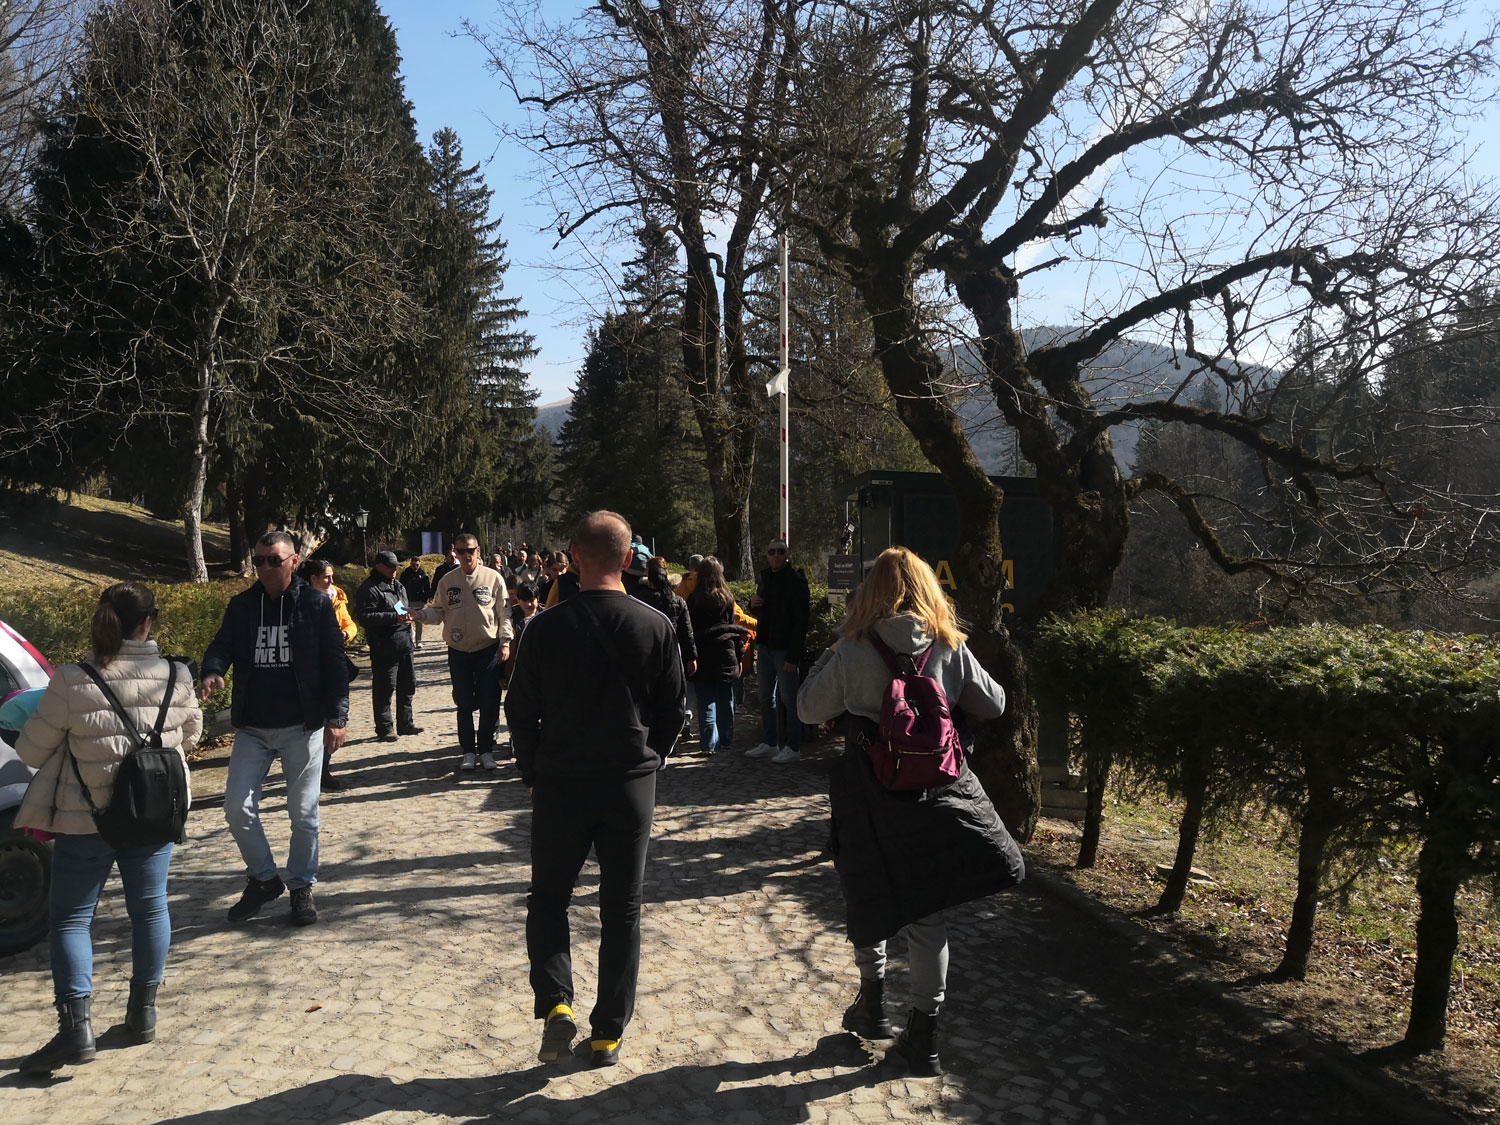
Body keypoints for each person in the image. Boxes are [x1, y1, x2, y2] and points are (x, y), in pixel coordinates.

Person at [796, 547, 1025, 1078]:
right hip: (934, 795)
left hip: (866, 791)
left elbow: (808, 708)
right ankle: (923, 1033)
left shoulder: (852, 649)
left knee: (868, 889)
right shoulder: (949, 645)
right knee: (928, 911)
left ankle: (872, 1003)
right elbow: (995, 704)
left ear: (870, 592)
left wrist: (833, 656)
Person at [505, 511, 685, 1069]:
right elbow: (673, 710)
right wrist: (650, 759)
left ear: (574, 558)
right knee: (622, 908)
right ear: (629, 559)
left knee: (549, 897)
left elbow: (520, 709)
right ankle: (608, 1031)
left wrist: (532, 769)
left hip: (561, 780)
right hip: (629, 782)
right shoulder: (657, 626)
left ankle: (556, 1002)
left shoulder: (544, 628)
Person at [14, 583, 202, 1075]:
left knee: (72, 920)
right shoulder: (177, 674)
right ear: (148, 623)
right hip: (154, 813)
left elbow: (31, 751)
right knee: (150, 908)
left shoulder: (73, 680)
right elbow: (191, 732)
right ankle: (143, 1014)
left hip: (85, 818)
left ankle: (75, 1029)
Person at [201, 531, 349, 927]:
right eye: (259, 560)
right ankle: (264, 878)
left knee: (303, 813)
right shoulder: (243, 606)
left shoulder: (316, 605)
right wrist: (213, 670)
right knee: (236, 807)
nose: (265, 567)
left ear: (294, 562)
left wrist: (338, 718)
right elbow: (222, 645)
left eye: (274, 560)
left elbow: (334, 664)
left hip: (302, 726)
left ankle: (301, 886)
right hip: (253, 727)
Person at [418, 533, 512, 772]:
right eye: (461, 551)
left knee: (490, 701)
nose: (466, 555)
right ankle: (468, 751)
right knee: (463, 702)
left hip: (487, 648)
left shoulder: (493, 578)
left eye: (470, 550)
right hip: (458, 650)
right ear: (455, 553)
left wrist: (505, 642)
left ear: (478, 551)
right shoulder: (447, 581)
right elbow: (438, 612)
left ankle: (487, 750)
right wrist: (418, 615)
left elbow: (504, 613)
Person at [745, 537, 810, 764]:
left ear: (787, 555)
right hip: (765, 646)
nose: (775, 556)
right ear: (766, 555)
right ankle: (770, 743)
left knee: (789, 699)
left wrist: (793, 656)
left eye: (780, 552)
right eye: (771, 551)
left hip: (784, 650)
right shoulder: (765, 579)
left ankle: (793, 746)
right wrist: (750, 605)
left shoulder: (796, 581)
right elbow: (758, 611)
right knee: (765, 697)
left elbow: (801, 622)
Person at [299, 559, 358, 791]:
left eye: (332, 576)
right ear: (313, 578)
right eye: (327, 577)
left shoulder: (337, 597)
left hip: (333, 662)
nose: (332, 581)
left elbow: (351, 624)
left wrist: (345, 634)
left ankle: (323, 771)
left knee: (331, 716)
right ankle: (308, 771)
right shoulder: (300, 602)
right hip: (310, 668)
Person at [684, 557, 749, 755]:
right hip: (725, 652)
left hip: (703, 653)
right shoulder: (727, 599)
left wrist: (690, 656)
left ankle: (708, 743)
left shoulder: (693, 600)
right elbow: (734, 631)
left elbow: (689, 632)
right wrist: (739, 657)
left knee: (706, 701)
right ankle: (726, 738)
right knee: (725, 699)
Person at [356, 550, 421, 744]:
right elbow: (365, 617)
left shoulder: (397, 585)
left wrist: (406, 617)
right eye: (390, 566)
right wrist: (394, 617)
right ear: (378, 566)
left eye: (396, 566)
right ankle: (385, 728)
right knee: (385, 689)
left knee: (408, 684)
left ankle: (405, 723)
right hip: (384, 646)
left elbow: (400, 607)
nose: (394, 570)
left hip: (404, 643)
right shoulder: (369, 588)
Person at [399, 557, 432, 648]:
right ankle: (409, 640)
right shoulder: (405, 574)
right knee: (407, 621)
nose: (415, 567)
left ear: (420, 564)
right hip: (408, 601)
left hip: (419, 601)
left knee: (419, 622)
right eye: (413, 565)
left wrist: (425, 599)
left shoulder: (423, 575)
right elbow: (400, 588)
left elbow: (427, 588)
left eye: (417, 565)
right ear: (410, 564)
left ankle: (419, 641)